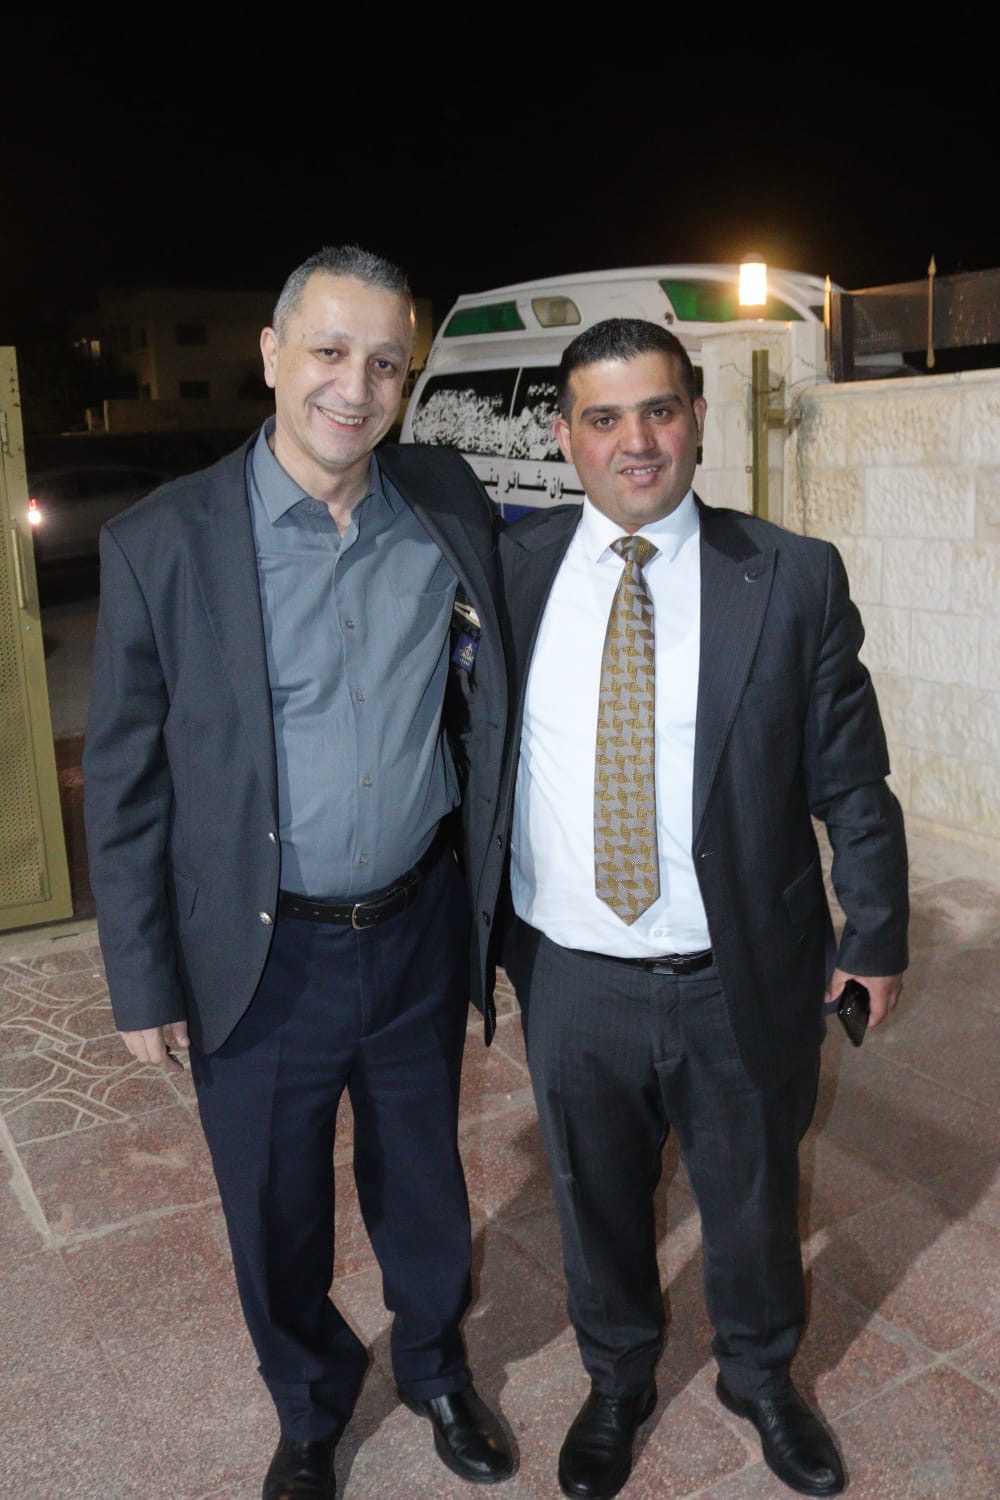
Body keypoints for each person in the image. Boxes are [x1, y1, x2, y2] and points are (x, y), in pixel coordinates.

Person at [83, 245, 514, 1500]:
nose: (354, 386)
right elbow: (124, 778)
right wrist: (141, 979)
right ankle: (312, 1405)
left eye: (385, 362)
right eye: (329, 351)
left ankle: (433, 1366)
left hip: (418, 924)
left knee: (422, 1180)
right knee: (273, 1210)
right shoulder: (162, 541)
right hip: (259, 953)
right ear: (271, 354)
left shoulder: (442, 498)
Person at [495, 319, 908, 1500]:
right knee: (594, 1203)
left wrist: (874, 932)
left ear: (697, 419)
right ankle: (617, 1379)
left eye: (659, 410)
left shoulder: (789, 575)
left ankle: (760, 1376)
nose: (636, 441)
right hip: (572, 975)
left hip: (741, 971)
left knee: (753, 1200)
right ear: (564, 436)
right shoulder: (510, 572)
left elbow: (851, 779)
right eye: (603, 417)